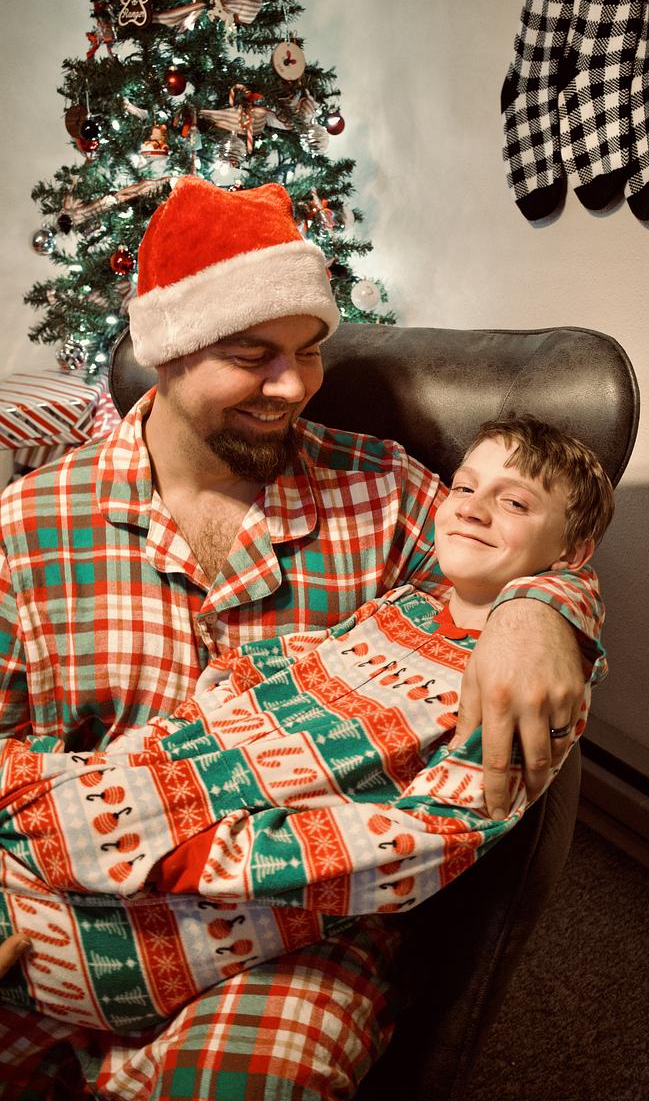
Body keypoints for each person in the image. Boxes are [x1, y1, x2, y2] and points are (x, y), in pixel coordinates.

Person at [0, 177, 604, 1100]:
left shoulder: (388, 492)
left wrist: (544, 611)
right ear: (165, 353)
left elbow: (528, 549)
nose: (292, 386)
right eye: (252, 356)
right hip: (59, 901)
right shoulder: (27, 528)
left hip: (292, 939)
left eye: (310, 351)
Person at [0, 415, 614, 1033]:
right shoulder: (401, 606)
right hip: (161, 775)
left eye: (514, 502)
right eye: (463, 487)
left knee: (57, 873)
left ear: (572, 553)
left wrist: (213, 857)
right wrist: (220, 692)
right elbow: (299, 658)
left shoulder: (524, 691)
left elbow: (429, 837)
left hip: (214, 879)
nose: (472, 509)